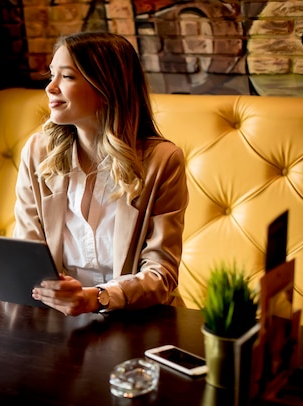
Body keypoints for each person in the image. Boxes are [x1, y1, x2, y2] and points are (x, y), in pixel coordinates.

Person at [14, 32, 189, 316]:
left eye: (67, 77)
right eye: (52, 75)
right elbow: (26, 253)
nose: (51, 88)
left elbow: (162, 274)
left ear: (106, 88)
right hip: (57, 320)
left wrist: (97, 298)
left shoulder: (162, 161)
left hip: (139, 321)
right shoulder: (37, 152)